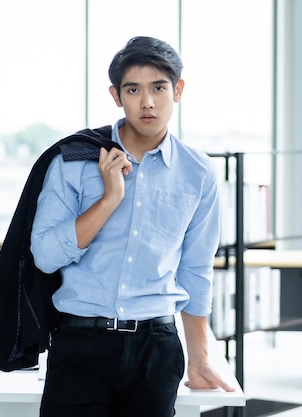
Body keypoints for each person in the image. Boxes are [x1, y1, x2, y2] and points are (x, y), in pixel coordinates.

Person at [29, 36, 236, 417]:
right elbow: (44, 257)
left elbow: (194, 270)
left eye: (159, 88)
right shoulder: (74, 161)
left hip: (156, 348)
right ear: (115, 95)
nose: (147, 102)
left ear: (178, 90)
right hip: (80, 343)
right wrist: (108, 200)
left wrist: (200, 358)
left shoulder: (198, 172)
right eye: (133, 89)